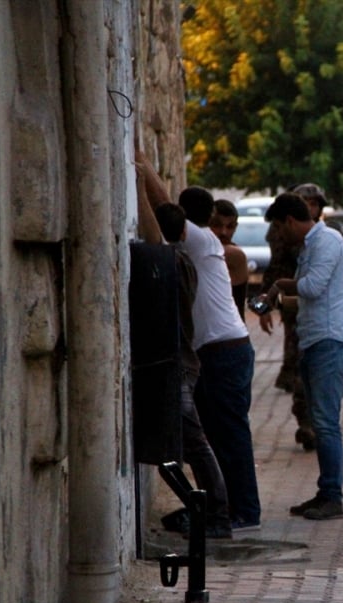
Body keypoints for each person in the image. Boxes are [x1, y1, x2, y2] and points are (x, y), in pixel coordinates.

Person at [137, 154, 262, 533]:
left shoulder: (202, 240)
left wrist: (145, 173)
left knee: (228, 436)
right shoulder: (195, 247)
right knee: (215, 436)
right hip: (218, 352)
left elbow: (163, 212)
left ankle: (242, 511)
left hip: (225, 352)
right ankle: (218, 508)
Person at [136, 182, 233, 540]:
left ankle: (217, 515)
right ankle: (207, 510)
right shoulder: (182, 259)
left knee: (193, 445)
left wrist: (140, 178)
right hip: (178, 364)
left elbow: (153, 234)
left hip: (176, 365)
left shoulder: (174, 262)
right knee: (174, 451)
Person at [264, 193, 343, 520]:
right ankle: (325, 492)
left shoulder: (326, 240)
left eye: (279, 226)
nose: (279, 235)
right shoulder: (310, 246)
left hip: (331, 343)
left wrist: (279, 285)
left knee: (327, 424)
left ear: (290, 220)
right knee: (319, 421)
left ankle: (333, 496)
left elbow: (314, 287)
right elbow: (311, 299)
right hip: (316, 342)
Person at [260, 184, 329, 450]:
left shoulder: (327, 237)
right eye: (306, 202)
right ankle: (306, 422)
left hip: (320, 313)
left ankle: (315, 421)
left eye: (315, 203)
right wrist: (267, 301)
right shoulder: (284, 234)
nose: (311, 207)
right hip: (294, 308)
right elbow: (275, 266)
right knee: (300, 364)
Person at [209, 199, 249, 317]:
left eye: (230, 226)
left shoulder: (232, 253)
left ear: (236, 226)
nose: (224, 232)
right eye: (217, 225)